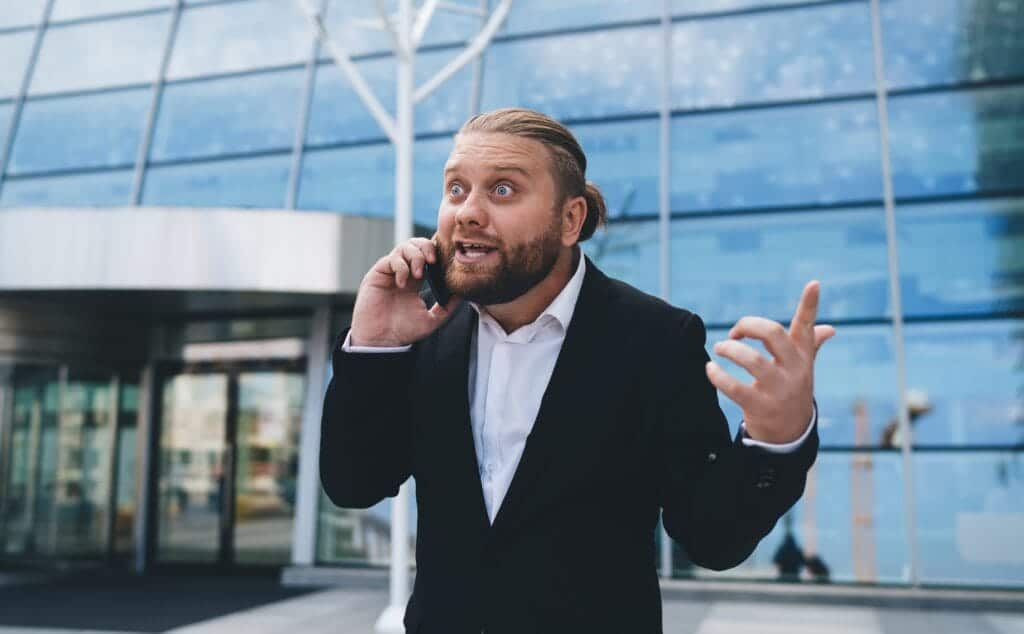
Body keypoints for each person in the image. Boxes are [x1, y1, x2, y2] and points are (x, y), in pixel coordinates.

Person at [320, 108, 834, 634]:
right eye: (456, 189)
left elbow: (712, 539)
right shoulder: (424, 328)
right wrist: (373, 350)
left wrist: (777, 440)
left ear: (570, 220)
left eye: (502, 190)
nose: (467, 212)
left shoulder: (657, 339)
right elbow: (355, 484)